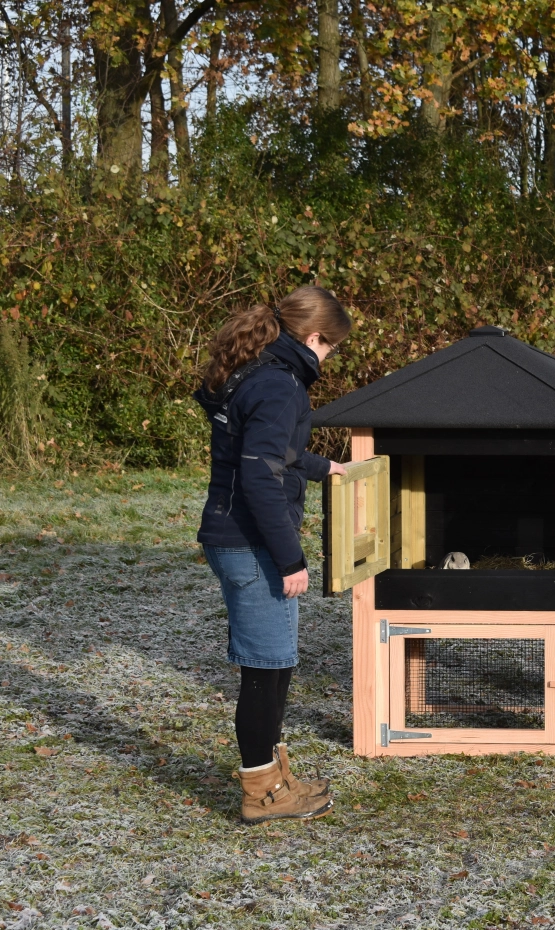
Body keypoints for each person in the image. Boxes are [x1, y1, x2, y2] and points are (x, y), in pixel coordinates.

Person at [194, 285, 352, 824]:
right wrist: (291, 559)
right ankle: (262, 793)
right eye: (330, 348)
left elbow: (268, 451)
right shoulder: (280, 385)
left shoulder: (256, 372)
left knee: (276, 666)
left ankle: (275, 776)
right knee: (265, 671)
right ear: (314, 338)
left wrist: (323, 467)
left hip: (236, 536)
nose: (328, 358)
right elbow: (260, 477)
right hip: (252, 543)